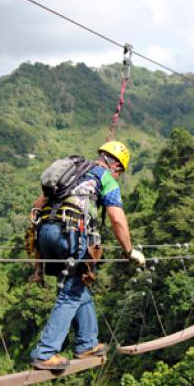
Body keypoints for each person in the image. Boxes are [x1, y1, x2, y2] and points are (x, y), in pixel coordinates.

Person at [30, 141, 146, 370]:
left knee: (79, 285)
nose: (119, 175)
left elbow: (36, 207)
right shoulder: (106, 178)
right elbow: (116, 218)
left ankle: (86, 344)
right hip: (71, 234)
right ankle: (45, 352)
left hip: (45, 233)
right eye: (120, 172)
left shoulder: (74, 171)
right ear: (116, 166)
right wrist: (129, 250)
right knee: (71, 293)